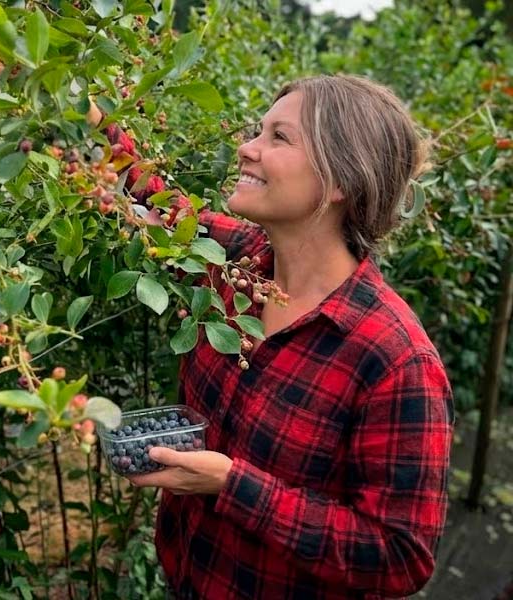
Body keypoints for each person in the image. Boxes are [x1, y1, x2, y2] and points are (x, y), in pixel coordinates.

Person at [121, 75, 454, 599]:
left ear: (341, 180)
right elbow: (156, 202)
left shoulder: (393, 360)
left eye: (279, 138)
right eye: (259, 131)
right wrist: (81, 118)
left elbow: (399, 556)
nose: (246, 148)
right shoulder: (237, 263)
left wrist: (231, 485)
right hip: (188, 578)